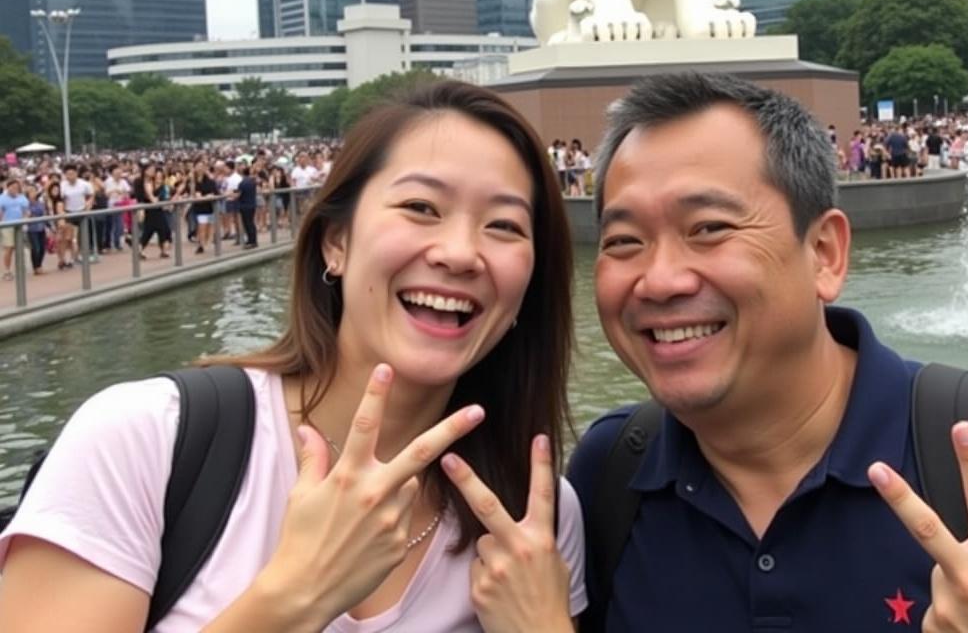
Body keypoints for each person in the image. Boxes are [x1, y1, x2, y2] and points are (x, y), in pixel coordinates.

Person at [568, 72, 968, 632]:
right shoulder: (607, 477)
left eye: (709, 228)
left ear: (825, 253)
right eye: (624, 240)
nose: (659, 279)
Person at [0, 81, 586, 631]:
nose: (461, 253)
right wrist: (293, 597)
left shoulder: (534, 517)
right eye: (421, 208)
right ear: (336, 240)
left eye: (504, 225)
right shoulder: (143, 440)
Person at [0, 177, 30, 280]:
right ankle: (7, 271)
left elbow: (26, 211)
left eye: (16, 188)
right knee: (9, 248)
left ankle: (21, 269)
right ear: (8, 188)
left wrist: (25, 223)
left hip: (20, 226)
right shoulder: (2, 198)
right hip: (7, 226)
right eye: (12, 187)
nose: (14, 189)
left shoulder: (22, 198)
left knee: (20, 248)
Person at [234, 161, 258, 249]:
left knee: (247, 223)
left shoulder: (242, 183)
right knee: (251, 223)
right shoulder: (252, 182)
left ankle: (252, 241)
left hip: (244, 205)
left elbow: (238, 195)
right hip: (252, 204)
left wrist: (232, 196)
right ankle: (252, 240)